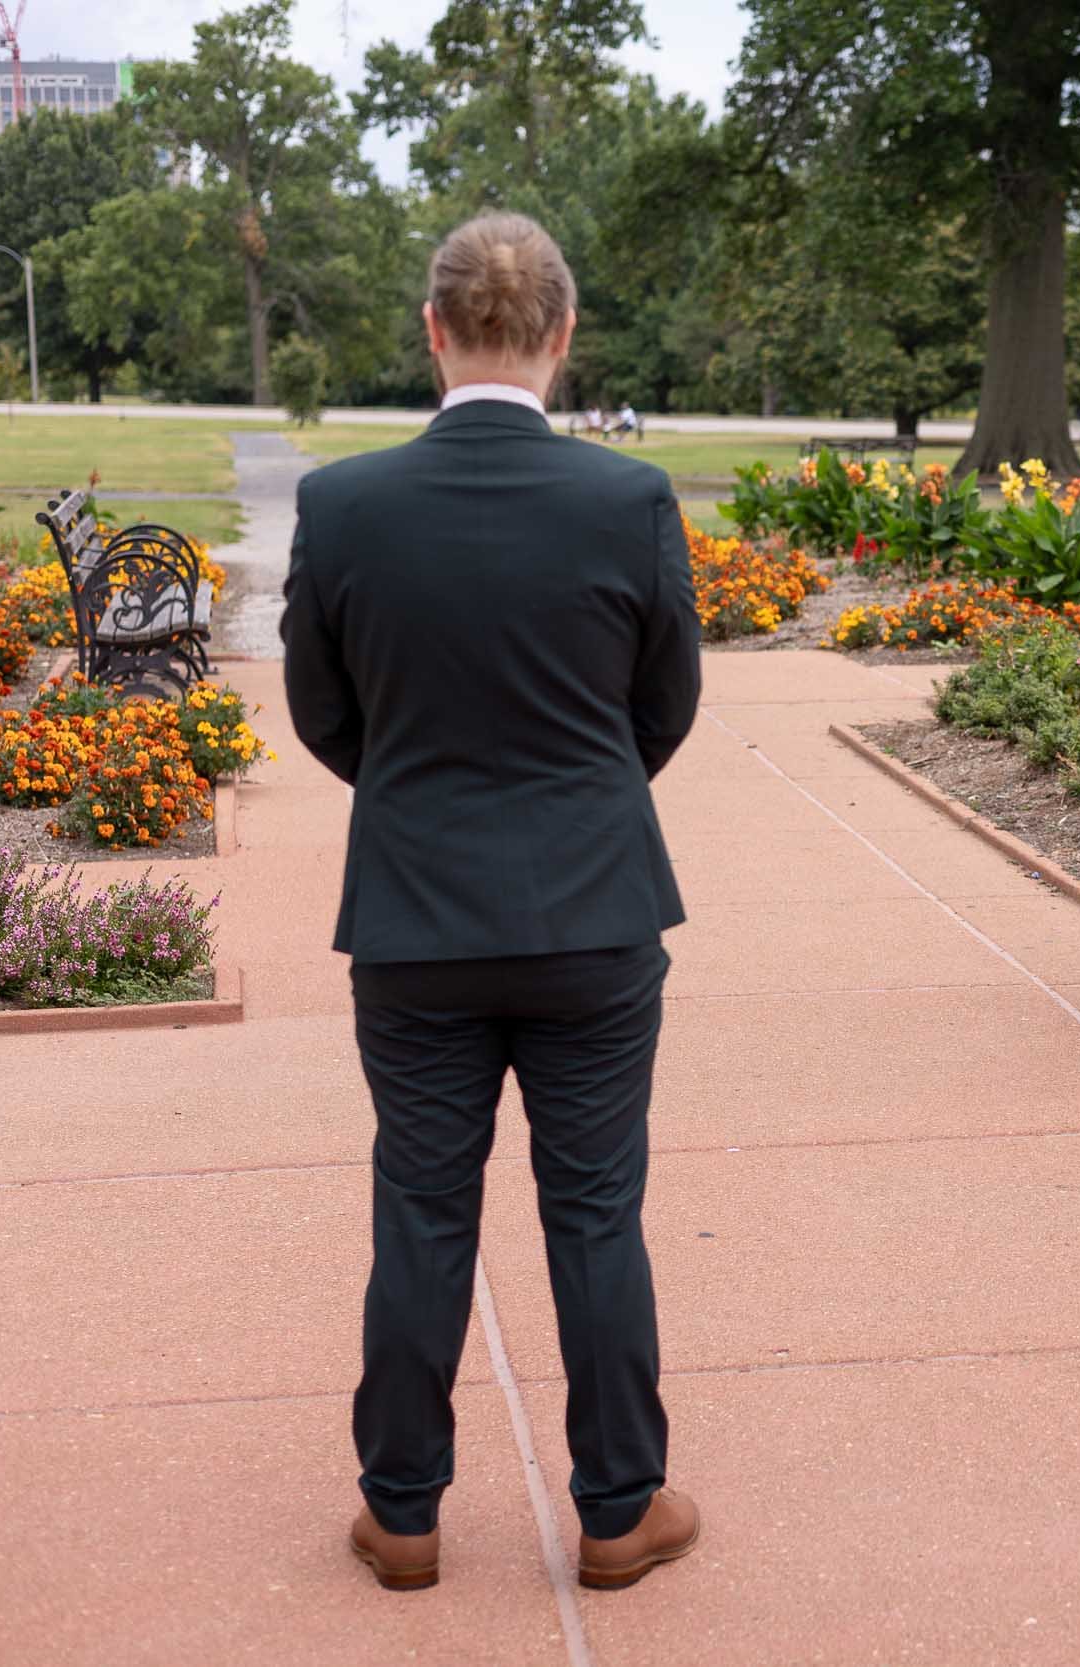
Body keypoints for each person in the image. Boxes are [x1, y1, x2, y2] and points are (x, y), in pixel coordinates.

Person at [281, 212, 705, 1593]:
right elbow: (664, 707)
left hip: (415, 915)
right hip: (591, 910)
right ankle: (617, 1505)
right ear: (564, 335)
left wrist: (422, 787)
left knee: (421, 1207)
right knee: (593, 1210)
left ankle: (402, 1510)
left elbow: (323, 715)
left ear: (433, 328)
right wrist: (573, 796)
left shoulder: (345, 503)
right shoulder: (627, 497)